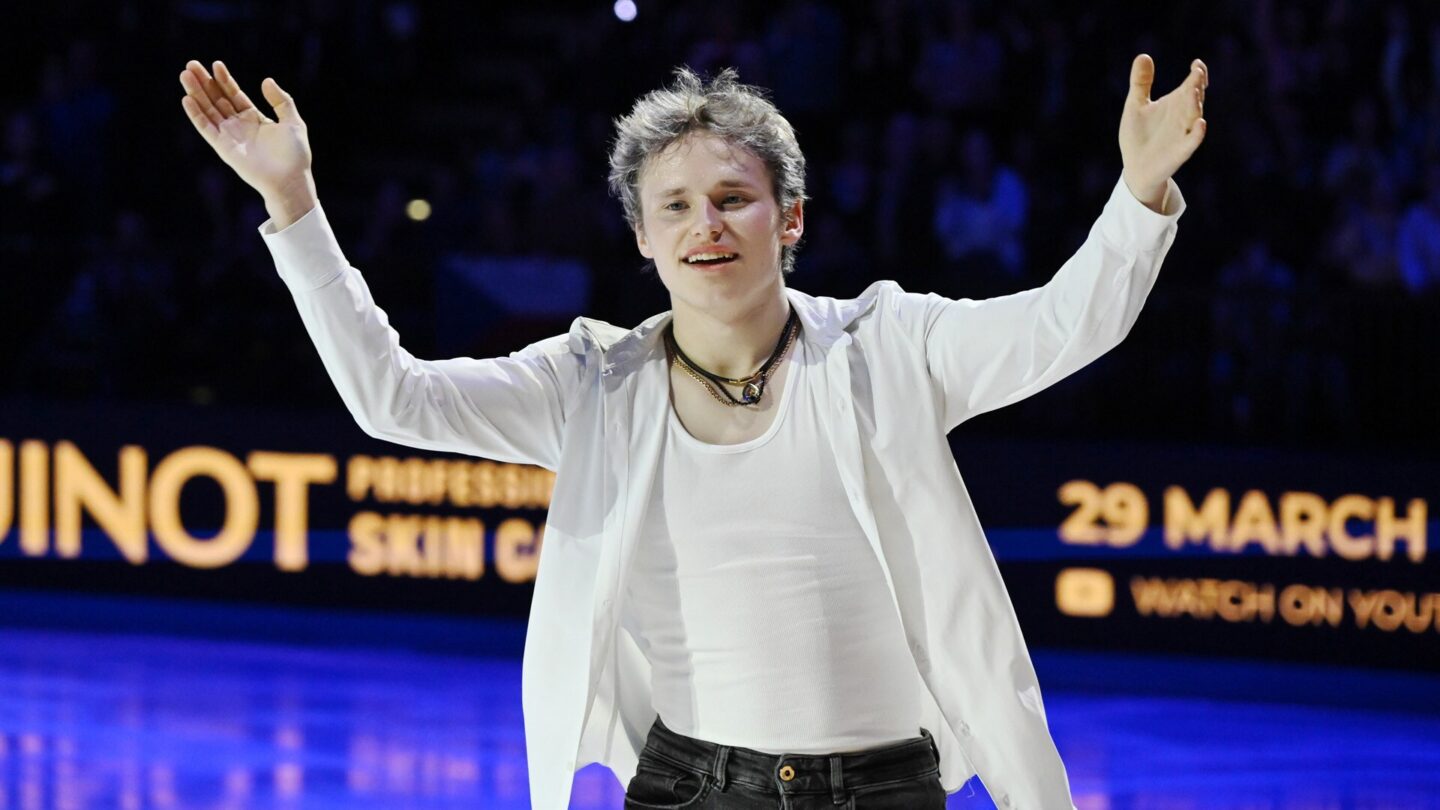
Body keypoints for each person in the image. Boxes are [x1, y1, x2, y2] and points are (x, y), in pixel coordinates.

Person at [179, 52, 1207, 809]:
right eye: (673, 206)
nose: (704, 226)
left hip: (885, 789)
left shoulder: (889, 347)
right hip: (685, 788)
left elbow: (1069, 323)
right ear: (642, 236)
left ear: (789, 219)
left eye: (733, 199)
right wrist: (293, 204)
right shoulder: (590, 384)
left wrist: (1139, 193)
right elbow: (391, 396)